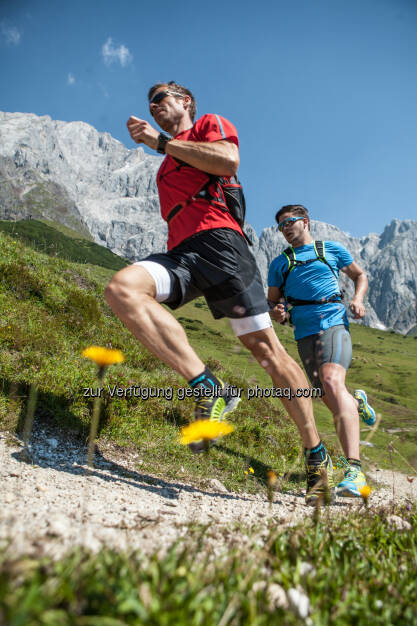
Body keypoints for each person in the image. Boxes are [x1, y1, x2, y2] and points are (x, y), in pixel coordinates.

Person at [105, 82, 332, 503]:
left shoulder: (209, 124)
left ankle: (316, 453)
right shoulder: (166, 162)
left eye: (161, 98)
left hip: (223, 246)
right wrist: (165, 148)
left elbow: (228, 160)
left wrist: (162, 143)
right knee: (122, 290)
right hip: (183, 253)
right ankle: (208, 386)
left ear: (185, 101)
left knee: (266, 352)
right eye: (149, 103)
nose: (153, 106)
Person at [268, 204, 376, 497]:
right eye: (281, 225)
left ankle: (354, 471)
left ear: (305, 222)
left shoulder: (330, 249)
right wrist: (277, 313)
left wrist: (358, 299)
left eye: (290, 222)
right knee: (328, 395)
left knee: (330, 381)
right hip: (303, 333)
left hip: (333, 322)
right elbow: (273, 303)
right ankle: (356, 402)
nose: (285, 228)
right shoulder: (280, 263)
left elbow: (360, 275)